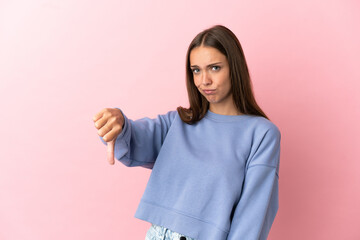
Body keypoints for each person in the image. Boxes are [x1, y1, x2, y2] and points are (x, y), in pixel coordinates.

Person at [93, 25, 281, 240]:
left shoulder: (261, 134)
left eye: (215, 68)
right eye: (196, 70)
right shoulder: (178, 123)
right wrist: (117, 121)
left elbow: (252, 217)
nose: (204, 81)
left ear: (234, 68)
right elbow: (134, 138)